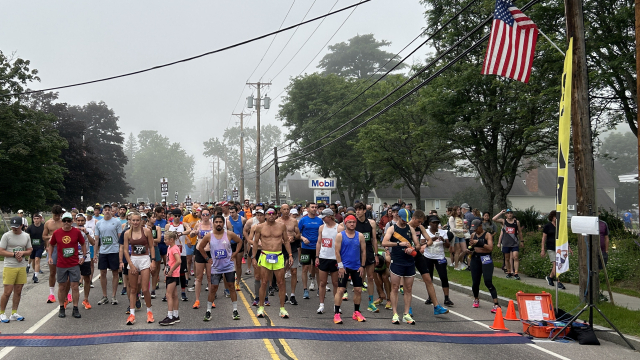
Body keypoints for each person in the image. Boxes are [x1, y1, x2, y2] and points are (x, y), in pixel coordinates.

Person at [198, 215, 243, 321]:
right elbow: (200, 247)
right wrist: (207, 258)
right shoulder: (209, 235)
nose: (218, 224)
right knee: (213, 288)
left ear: (223, 223)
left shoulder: (229, 234)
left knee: (231, 287)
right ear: (213, 223)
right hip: (216, 267)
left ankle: (235, 310)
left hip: (228, 266)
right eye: (216, 222)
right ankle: (208, 311)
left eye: (220, 222)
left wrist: (235, 253)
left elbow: (240, 241)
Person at [254, 208, 293, 319]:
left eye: (273, 214)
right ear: (266, 215)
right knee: (264, 282)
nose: (271, 215)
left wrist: (290, 255)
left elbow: (286, 241)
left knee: (281, 282)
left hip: (278, 255)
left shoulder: (281, 226)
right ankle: (261, 307)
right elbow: (256, 242)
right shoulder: (260, 227)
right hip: (265, 255)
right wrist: (253, 257)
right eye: (269, 213)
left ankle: (282, 308)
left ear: (276, 215)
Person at [381, 209, 418, 325]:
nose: (405, 222)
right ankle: (395, 313)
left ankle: (406, 314)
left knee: (408, 288)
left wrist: (412, 249)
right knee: (395, 287)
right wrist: (398, 244)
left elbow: (417, 244)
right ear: (398, 217)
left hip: (409, 262)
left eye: (407, 220)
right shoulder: (392, 228)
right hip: (397, 261)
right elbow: (384, 243)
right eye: (403, 220)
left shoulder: (410, 228)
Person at [409, 211, 449, 315]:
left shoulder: (420, 228)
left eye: (421, 222)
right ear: (413, 218)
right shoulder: (406, 227)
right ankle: (408, 307)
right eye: (418, 221)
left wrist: (425, 245)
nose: (420, 224)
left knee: (428, 279)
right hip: (407, 256)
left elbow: (429, 240)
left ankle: (436, 306)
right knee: (408, 283)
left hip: (417, 255)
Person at [49, 212, 85, 319]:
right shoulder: (57, 233)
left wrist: (83, 256)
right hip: (61, 264)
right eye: (64, 221)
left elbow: (83, 243)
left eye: (68, 221)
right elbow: (51, 244)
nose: (66, 223)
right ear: (62, 221)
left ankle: (75, 308)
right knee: (62, 287)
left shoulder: (76, 232)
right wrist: (50, 256)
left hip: (74, 263)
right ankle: (61, 307)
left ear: (72, 221)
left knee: (75, 287)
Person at [332, 214, 367, 324]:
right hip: (344, 267)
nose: (352, 224)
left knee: (358, 290)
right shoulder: (340, 235)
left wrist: (362, 266)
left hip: (357, 267)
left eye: (354, 222)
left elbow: (363, 252)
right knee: (341, 290)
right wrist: (340, 266)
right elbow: (337, 252)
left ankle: (356, 312)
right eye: (349, 222)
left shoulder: (360, 235)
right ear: (345, 223)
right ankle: (337, 314)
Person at [123, 212, 156, 325]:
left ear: (141, 221)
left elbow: (151, 246)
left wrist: (152, 261)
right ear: (130, 221)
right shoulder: (127, 233)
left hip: (144, 259)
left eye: (138, 220)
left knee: (145, 289)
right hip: (133, 260)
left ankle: (149, 312)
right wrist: (131, 264)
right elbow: (125, 250)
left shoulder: (146, 231)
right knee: (133, 289)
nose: (136, 222)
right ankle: (132, 315)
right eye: (134, 220)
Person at [0, 217, 33, 323]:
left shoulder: (26, 236)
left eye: (16, 226)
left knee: (18, 291)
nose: (14, 228)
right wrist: (14, 254)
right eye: (12, 226)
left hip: (21, 266)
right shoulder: (6, 236)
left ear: (21, 226)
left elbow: (29, 250)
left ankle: (14, 313)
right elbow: (1, 251)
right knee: (7, 292)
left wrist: (22, 253)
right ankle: (2, 313)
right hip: (10, 266)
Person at [315, 209, 343, 314]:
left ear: (330, 216)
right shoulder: (321, 227)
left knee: (335, 283)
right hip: (324, 257)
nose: (322, 219)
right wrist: (317, 256)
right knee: (322, 282)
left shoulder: (339, 228)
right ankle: (321, 305)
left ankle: (337, 305)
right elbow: (319, 242)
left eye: (324, 217)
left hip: (335, 258)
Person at [421, 215, 454, 307]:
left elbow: (448, 246)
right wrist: (431, 239)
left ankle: (447, 298)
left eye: (436, 223)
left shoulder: (443, 232)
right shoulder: (426, 232)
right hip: (428, 256)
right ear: (429, 223)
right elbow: (421, 244)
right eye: (433, 223)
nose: (435, 224)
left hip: (440, 257)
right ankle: (430, 297)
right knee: (429, 278)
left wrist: (443, 240)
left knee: (443, 277)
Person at [468, 219, 500, 313]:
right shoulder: (473, 235)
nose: (475, 230)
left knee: (488, 281)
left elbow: (490, 248)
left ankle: (496, 304)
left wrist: (479, 243)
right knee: (475, 282)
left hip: (486, 258)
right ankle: (476, 299)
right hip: (476, 258)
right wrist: (470, 249)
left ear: (480, 226)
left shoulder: (487, 235)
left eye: (476, 228)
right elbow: (471, 245)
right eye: (473, 228)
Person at [94, 204, 123, 305]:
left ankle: (114, 296)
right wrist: (95, 254)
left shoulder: (117, 222)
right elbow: (97, 239)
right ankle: (104, 296)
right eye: (105, 210)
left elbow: (120, 237)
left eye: (108, 210)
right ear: (103, 212)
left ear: (112, 211)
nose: (107, 211)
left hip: (114, 251)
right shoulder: (99, 224)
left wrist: (121, 251)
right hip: (103, 251)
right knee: (103, 273)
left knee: (115, 272)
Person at [354, 202, 379, 313]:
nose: (357, 212)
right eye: (356, 210)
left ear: (365, 211)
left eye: (360, 209)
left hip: (368, 252)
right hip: (356, 252)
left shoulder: (371, 223)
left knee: (370, 277)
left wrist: (376, 254)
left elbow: (374, 239)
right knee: (357, 278)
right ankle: (356, 304)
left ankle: (370, 302)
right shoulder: (353, 222)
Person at [277, 204, 301, 305]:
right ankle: (284, 293)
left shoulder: (294, 221)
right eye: (284, 209)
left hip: (293, 247)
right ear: (281, 210)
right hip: (281, 248)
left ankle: (292, 295)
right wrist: (281, 239)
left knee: (294, 271)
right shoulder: (277, 221)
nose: (286, 211)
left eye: (288, 209)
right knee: (281, 271)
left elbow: (298, 234)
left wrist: (294, 238)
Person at [166, 208, 192, 302]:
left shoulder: (183, 224)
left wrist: (181, 234)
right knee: (170, 272)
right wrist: (172, 235)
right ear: (172, 216)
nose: (177, 218)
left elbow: (189, 230)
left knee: (182, 273)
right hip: (172, 252)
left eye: (179, 216)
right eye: (175, 216)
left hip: (182, 252)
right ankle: (168, 292)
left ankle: (183, 291)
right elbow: (166, 236)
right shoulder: (168, 226)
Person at [298, 203, 323, 299]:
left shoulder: (320, 220)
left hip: (317, 248)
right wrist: (303, 238)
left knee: (317, 269)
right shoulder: (303, 220)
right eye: (312, 207)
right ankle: (305, 289)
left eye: (316, 207)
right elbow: (297, 233)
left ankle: (319, 289)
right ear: (307, 209)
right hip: (306, 248)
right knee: (305, 268)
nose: (314, 209)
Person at [43, 205, 65, 303]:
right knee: (52, 271)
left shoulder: (63, 223)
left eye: (59, 215)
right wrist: (51, 238)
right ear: (52, 214)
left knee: (65, 271)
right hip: (53, 249)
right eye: (55, 215)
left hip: (62, 249)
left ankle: (67, 293)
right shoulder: (48, 223)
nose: (57, 217)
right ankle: (51, 294)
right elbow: (44, 236)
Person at [191, 209, 213, 309]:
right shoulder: (198, 224)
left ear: (209, 215)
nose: (205, 216)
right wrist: (193, 233)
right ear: (201, 216)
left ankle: (211, 300)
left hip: (210, 252)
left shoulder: (213, 224)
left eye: (207, 214)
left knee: (210, 277)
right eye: (203, 214)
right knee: (199, 277)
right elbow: (192, 233)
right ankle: (197, 300)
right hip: (200, 252)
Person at [74, 214, 96, 310]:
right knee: (71, 279)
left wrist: (86, 233)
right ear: (75, 221)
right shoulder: (73, 230)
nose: (80, 222)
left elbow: (93, 243)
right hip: (74, 256)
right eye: (78, 220)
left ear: (85, 221)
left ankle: (86, 299)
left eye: (82, 220)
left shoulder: (89, 230)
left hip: (85, 256)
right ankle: (67, 298)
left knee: (87, 278)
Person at [494, 209, 523, 280]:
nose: (509, 214)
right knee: (507, 258)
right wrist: (501, 212)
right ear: (506, 215)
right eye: (508, 213)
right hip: (506, 243)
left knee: (515, 257)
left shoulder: (516, 222)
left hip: (514, 243)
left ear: (512, 214)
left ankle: (516, 273)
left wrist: (522, 241)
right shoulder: (504, 221)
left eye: (511, 213)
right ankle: (509, 272)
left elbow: (519, 232)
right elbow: (494, 219)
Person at [159, 231, 181, 326]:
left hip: (173, 274)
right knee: (174, 295)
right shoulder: (170, 247)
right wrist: (166, 268)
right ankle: (176, 315)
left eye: (166, 239)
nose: (164, 241)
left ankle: (170, 316)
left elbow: (178, 261)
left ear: (171, 240)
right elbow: (169, 261)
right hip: (171, 273)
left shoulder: (174, 249)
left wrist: (171, 270)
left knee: (168, 295)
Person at [541, 210, 566, 289]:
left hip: (559, 248)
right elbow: (544, 238)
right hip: (550, 247)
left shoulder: (560, 226)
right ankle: (558, 281)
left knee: (559, 264)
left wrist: (568, 247)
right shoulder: (548, 226)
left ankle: (550, 277)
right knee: (555, 264)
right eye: (555, 217)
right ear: (552, 217)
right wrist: (542, 249)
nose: (556, 219)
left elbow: (564, 238)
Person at [227, 206, 246, 292]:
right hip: (230, 244)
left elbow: (245, 230)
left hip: (239, 243)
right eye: (230, 212)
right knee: (230, 263)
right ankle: (230, 282)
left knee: (238, 264)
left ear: (237, 211)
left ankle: (237, 282)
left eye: (233, 212)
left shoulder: (242, 219)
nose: (232, 214)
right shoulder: (227, 219)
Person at [26, 213, 45, 283]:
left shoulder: (43, 227)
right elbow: (27, 237)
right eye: (35, 219)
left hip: (40, 245)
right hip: (32, 246)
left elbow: (45, 236)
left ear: (40, 219)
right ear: (33, 219)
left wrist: (47, 245)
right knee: (33, 260)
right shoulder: (30, 228)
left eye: (37, 219)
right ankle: (34, 271)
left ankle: (36, 276)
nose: (36, 220)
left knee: (37, 259)